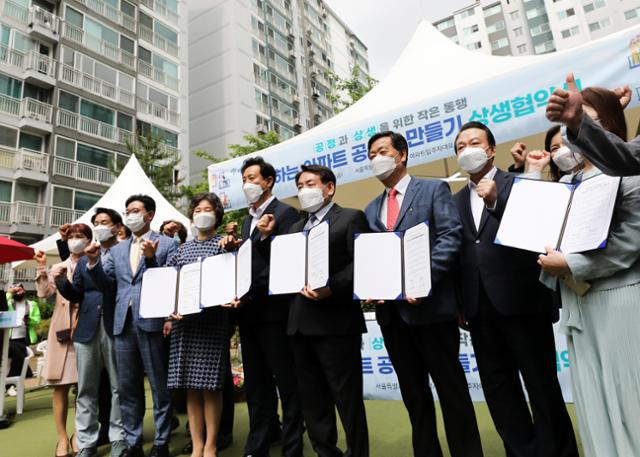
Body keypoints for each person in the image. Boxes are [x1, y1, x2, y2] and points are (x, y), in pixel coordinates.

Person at [452, 121, 579, 457]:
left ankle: (559, 451)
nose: (468, 150)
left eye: (474, 142)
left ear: (491, 149)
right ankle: (521, 451)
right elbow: (457, 254)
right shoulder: (453, 201)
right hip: (478, 308)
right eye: (461, 146)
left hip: (522, 302)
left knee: (541, 385)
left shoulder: (521, 183)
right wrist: (459, 304)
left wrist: (496, 202)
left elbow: (535, 230)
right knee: (499, 389)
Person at [363, 131, 483, 457]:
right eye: (371, 154)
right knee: (414, 395)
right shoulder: (371, 208)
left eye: (382, 151)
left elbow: (450, 236)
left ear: (401, 154)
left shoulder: (432, 189)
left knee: (451, 390)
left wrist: (421, 279)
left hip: (432, 310)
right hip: (393, 317)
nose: (376, 158)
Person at [538, 87, 640, 457]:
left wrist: (571, 264)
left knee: (629, 398)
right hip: (578, 305)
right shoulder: (567, 184)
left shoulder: (631, 175)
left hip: (622, 300)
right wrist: (556, 265)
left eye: (586, 119)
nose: (574, 128)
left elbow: (630, 242)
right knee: (592, 399)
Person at [219, 156, 304, 457]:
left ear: (268, 181)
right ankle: (259, 442)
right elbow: (247, 264)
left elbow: (285, 263)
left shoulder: (288, 213)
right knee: (256, 384)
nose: (248, 184)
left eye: (253, 178)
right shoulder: (245, 221)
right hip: (248, 313)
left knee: (287, 381)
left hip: (276, 312)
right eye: (244, 179)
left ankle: (293, 446)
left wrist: (249, 288)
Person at [285, 164, 370, 457]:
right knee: (313, 399)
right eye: (300, 186)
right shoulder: (295, 228)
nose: (304, 190)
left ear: (329, 187)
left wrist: (331, 287)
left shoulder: (350, 218)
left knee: (346, 398)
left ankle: (357, 452)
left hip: (336, 323)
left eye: (310, 183)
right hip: (299, 325)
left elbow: (363, 263)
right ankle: (325, 451)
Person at [86, 194, 178, 457]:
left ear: (149, 215)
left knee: (160, 386)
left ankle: (161, 441)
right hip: (122, 323)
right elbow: (107, 285)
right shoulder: (116, 249)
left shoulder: (168, 244)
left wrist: (151, 258)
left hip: (153, 320)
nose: (130, 215)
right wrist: (93, 262)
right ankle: (133, 441)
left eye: (135, 210)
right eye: (127, 211)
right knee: (127, 386)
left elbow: (169, 280)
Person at [56, 208, 127, 457]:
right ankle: (86, 442)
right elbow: (76, 293)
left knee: (118, 386)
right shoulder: (84, 258)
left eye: (103, 222)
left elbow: (111, 287)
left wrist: (95, 263)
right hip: (86, 328)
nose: (99, 226)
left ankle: (119, 438)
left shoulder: (123, 252)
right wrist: (61, 281)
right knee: (86, 388)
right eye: (95, 222)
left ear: (117, 226)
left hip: (113, 325)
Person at [165, 192, 230, 457]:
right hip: (185, 325)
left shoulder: (223, 245)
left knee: (211, 386)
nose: (202, 213)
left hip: (212, 322)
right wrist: (171, 311)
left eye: (208, 209)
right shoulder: (180, 250)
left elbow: (231, 279)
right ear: (191, 216)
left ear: (216, 215)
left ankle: (212, 444)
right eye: (197, 209)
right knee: (191, 387)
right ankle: (198, 444)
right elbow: (169, 283)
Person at [35, 224, 93, 457]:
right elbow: (44, 293)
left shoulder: (94, 263)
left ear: (89, 240)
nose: (75, 240)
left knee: (85, 388)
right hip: (61, 332)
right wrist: (41, 267)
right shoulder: (58, 266)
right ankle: (61, 438)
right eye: (71, 237)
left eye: (80, 236)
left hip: (87, 329)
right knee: (60, 387)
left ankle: (80, 435)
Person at [546, 73, 638, 175]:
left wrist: (612, 111)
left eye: (589, 120)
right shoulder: (569, 181)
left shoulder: (632, 179)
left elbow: (624, 161)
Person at [5, 283, 40, 378]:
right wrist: (9, 293)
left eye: (19, 290)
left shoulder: (32, 304)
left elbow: (37, 320)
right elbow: (3, 303)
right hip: (10, 336)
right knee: (18, 358)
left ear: (24, 291)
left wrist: (30, 320)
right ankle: (26, 373)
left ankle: (15, 379)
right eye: (15, 290)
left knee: (19, 357)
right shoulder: (8, 303)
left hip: (25, 337)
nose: (17, 292)